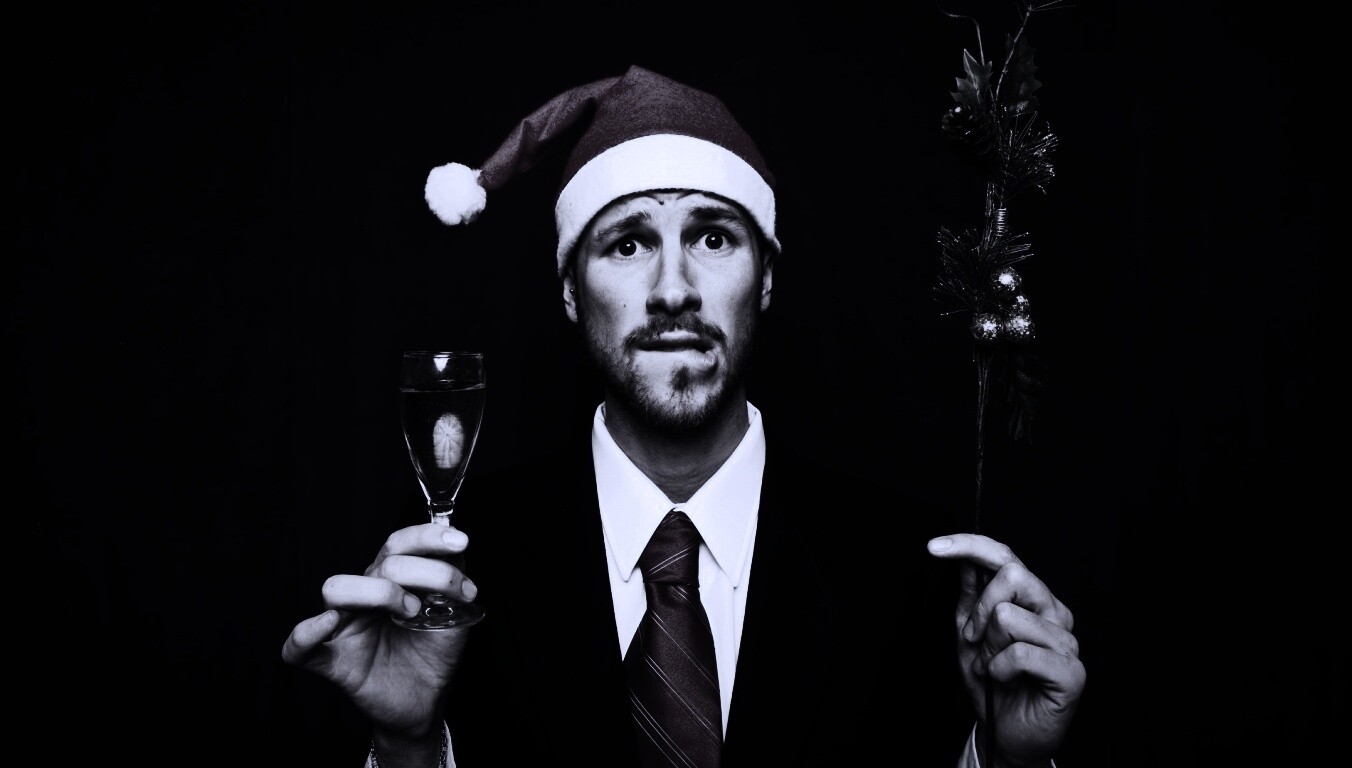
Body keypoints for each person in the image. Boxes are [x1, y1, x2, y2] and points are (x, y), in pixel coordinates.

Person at [281, 65, 1086, 767]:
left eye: (712, 237)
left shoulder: (912, 574)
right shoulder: (450, 573)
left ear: (764, 278)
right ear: (570, 290)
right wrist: (409, 746)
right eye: (628, 244)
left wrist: (1006, 761)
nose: (673, 290)